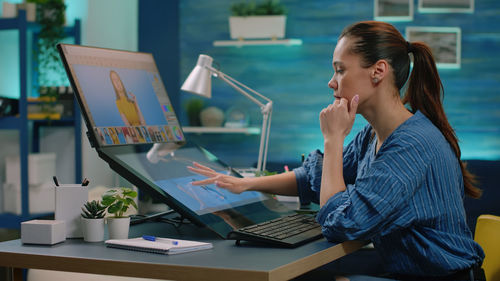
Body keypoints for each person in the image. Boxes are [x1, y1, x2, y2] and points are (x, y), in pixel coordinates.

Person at [187, 21, 485, 281]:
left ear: (378, 71)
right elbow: (313, 177)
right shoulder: (373, 135)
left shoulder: (411, 145)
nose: (332, 82)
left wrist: (333, 139)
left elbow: (342, 223)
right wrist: (245, 183)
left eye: (340, 70)